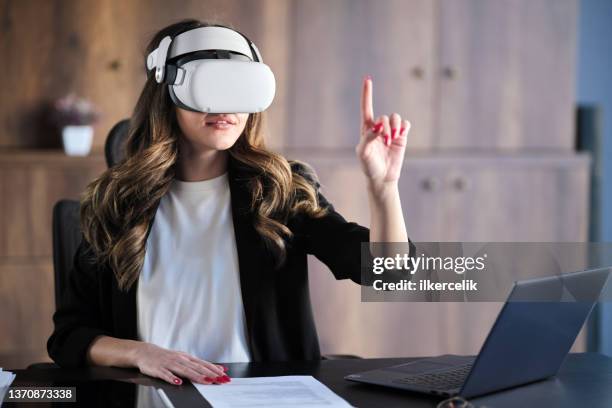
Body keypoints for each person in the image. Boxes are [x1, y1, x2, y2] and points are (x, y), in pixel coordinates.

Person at [47, 19, 412, 387]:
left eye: (237, 87)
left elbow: (388, 272)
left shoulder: (280, 190)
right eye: (209, 86)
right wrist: (140, 353)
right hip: (154, 394)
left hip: (261, 394)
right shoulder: (117, 202)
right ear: (167, 95)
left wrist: (383, 187)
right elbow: (69, 337)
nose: (225, 106)